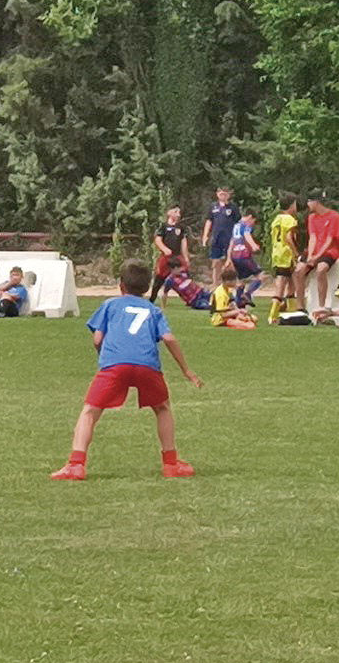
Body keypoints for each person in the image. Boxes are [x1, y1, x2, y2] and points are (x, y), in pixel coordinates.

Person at [51, 260, 203, 481]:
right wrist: (186, 370)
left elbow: (97, 338)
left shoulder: (110, 305)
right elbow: (169, 338)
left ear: (121, 285)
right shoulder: (153, 310)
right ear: (147, 287)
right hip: (147, 365)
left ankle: (76, 465)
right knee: (162, 408)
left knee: (90, 411)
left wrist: (105, 357)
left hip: (114, 365)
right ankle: (171, 464)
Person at [293, 196, 339, 313]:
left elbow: (330, 240)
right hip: (315, 250)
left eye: (309, 201)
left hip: (329, 251)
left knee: (321, 269)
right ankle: (300, 305)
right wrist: (311, 255)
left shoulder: (335, 217)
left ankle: (321, 305)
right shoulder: (312, 217)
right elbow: (313, 237)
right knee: (298, 271)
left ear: (316, 202)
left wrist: (317, 256)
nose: (308, 204)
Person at [267, 194, 302, 321]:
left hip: (277, 252)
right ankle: (273, 315)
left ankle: (289, 313)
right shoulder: (289, 220)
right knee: (283, 283)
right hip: (286, 253)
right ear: (291, 205)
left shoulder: (277, 219)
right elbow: (288, 238)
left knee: (289, 281)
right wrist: (296, 252)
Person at [147, 205, 191, 304]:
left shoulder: (181, 228)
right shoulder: (163, 226)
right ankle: (152, 299)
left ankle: (189, 299)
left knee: (185, 277)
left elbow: (184, 243)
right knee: (159, 278)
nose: (178, 214)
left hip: (177, 257)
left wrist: (186, 257)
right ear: (169, 213)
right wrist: (164, 249)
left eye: (179, 212)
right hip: (166, 257)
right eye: (175, 212)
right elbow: (158, 240)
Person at [200, 187, 241, 286]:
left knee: (231, 262)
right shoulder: (213, 207)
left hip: (229, 238)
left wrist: (238, 237)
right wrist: (205, 235)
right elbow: (209, 221)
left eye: (225, 194)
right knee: (216, 262)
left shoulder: (233, 207)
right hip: (216, 238)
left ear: (229, 195)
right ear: (217, 194)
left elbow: (238, 223)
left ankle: (232, 283)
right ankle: (215, 283)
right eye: (221, 193)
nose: (223, 196)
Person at [208, 264, 256, 330]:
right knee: (249, 325)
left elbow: (232, 304)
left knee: (253, 318)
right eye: (235, 281)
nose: (236, 282)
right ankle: (238, 321)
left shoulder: (228, 290)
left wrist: (239, 310)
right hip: (220, 319)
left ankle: (240, 320)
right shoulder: (220, 293)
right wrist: (237, 312)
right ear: (228, 281)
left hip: (229, 314)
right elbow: (223, 314)